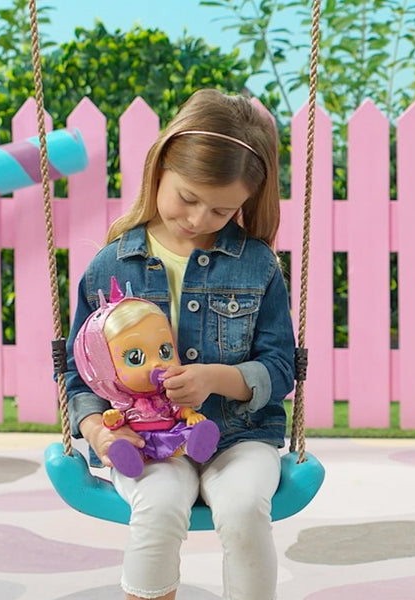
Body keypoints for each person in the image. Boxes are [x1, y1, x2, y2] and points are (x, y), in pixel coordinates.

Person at [65, 88, 296, 600]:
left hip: (240, 437)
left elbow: (281, 366)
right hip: (146, 437)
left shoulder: (257, 266)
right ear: (160, 167)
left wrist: (216, 379)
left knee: (243, 508)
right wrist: (97, 432)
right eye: (187, 198)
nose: (197, 219)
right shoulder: (109, 267)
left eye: (221, 210)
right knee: (160, 506)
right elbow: (80, 372)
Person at [72, 277, 220, 478]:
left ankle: (195, 446)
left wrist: (191, 415)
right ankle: (130, 458)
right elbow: (118, 419)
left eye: (165, 351)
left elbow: (177, 409)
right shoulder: (124, 403)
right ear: (105, 366)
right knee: (134, 445)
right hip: (138, 437)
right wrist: (109, 421)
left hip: (169, 434)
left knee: (184, 436)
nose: (157, 363)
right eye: (135, 358)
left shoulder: (166, 395)